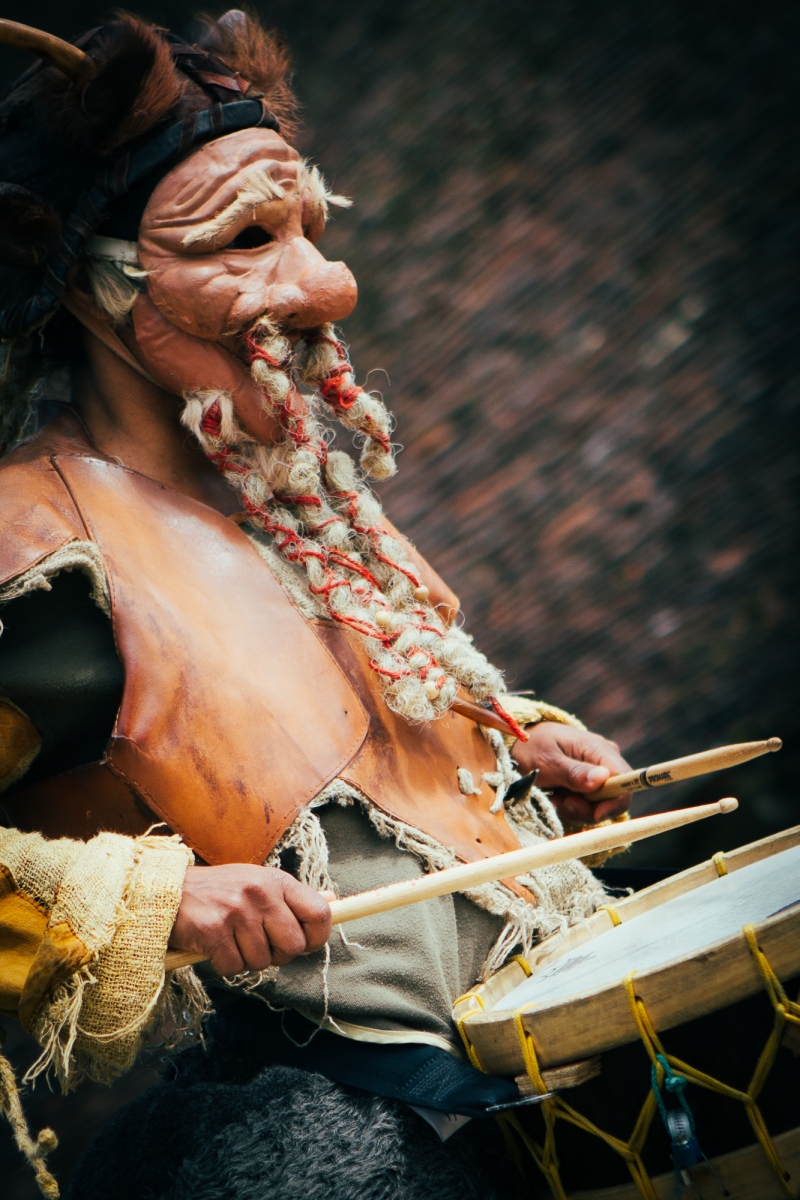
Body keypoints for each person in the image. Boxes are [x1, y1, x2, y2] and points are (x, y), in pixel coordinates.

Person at [0, 13, 631, 1198]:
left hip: (560, 1043)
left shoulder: (296, 492)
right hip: (345, 1121)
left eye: (310, 230)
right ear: (93, 287)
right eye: (245, 237)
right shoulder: (35, 549)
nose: (323, 283)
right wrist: (158, 900)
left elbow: (335, 729)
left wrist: (516, 744)